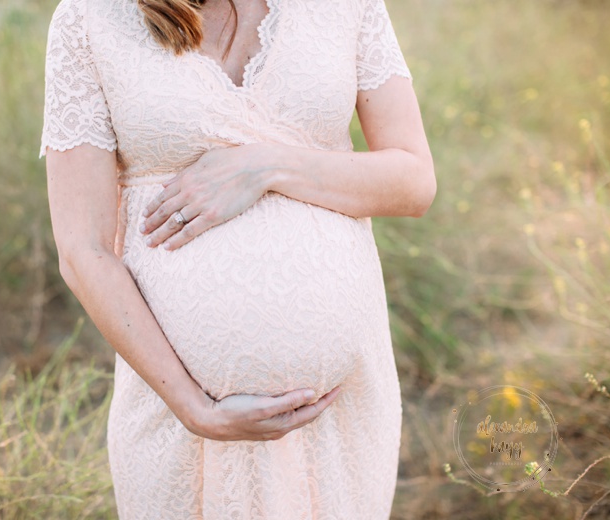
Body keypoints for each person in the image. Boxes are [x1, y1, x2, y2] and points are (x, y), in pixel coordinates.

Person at [40, 0, 435, 517]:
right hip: (178, 418)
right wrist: (194, 407)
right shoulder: (90, 19)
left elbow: (414, 182)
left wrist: (266, 165)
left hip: (337, 413)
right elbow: (83, 249)